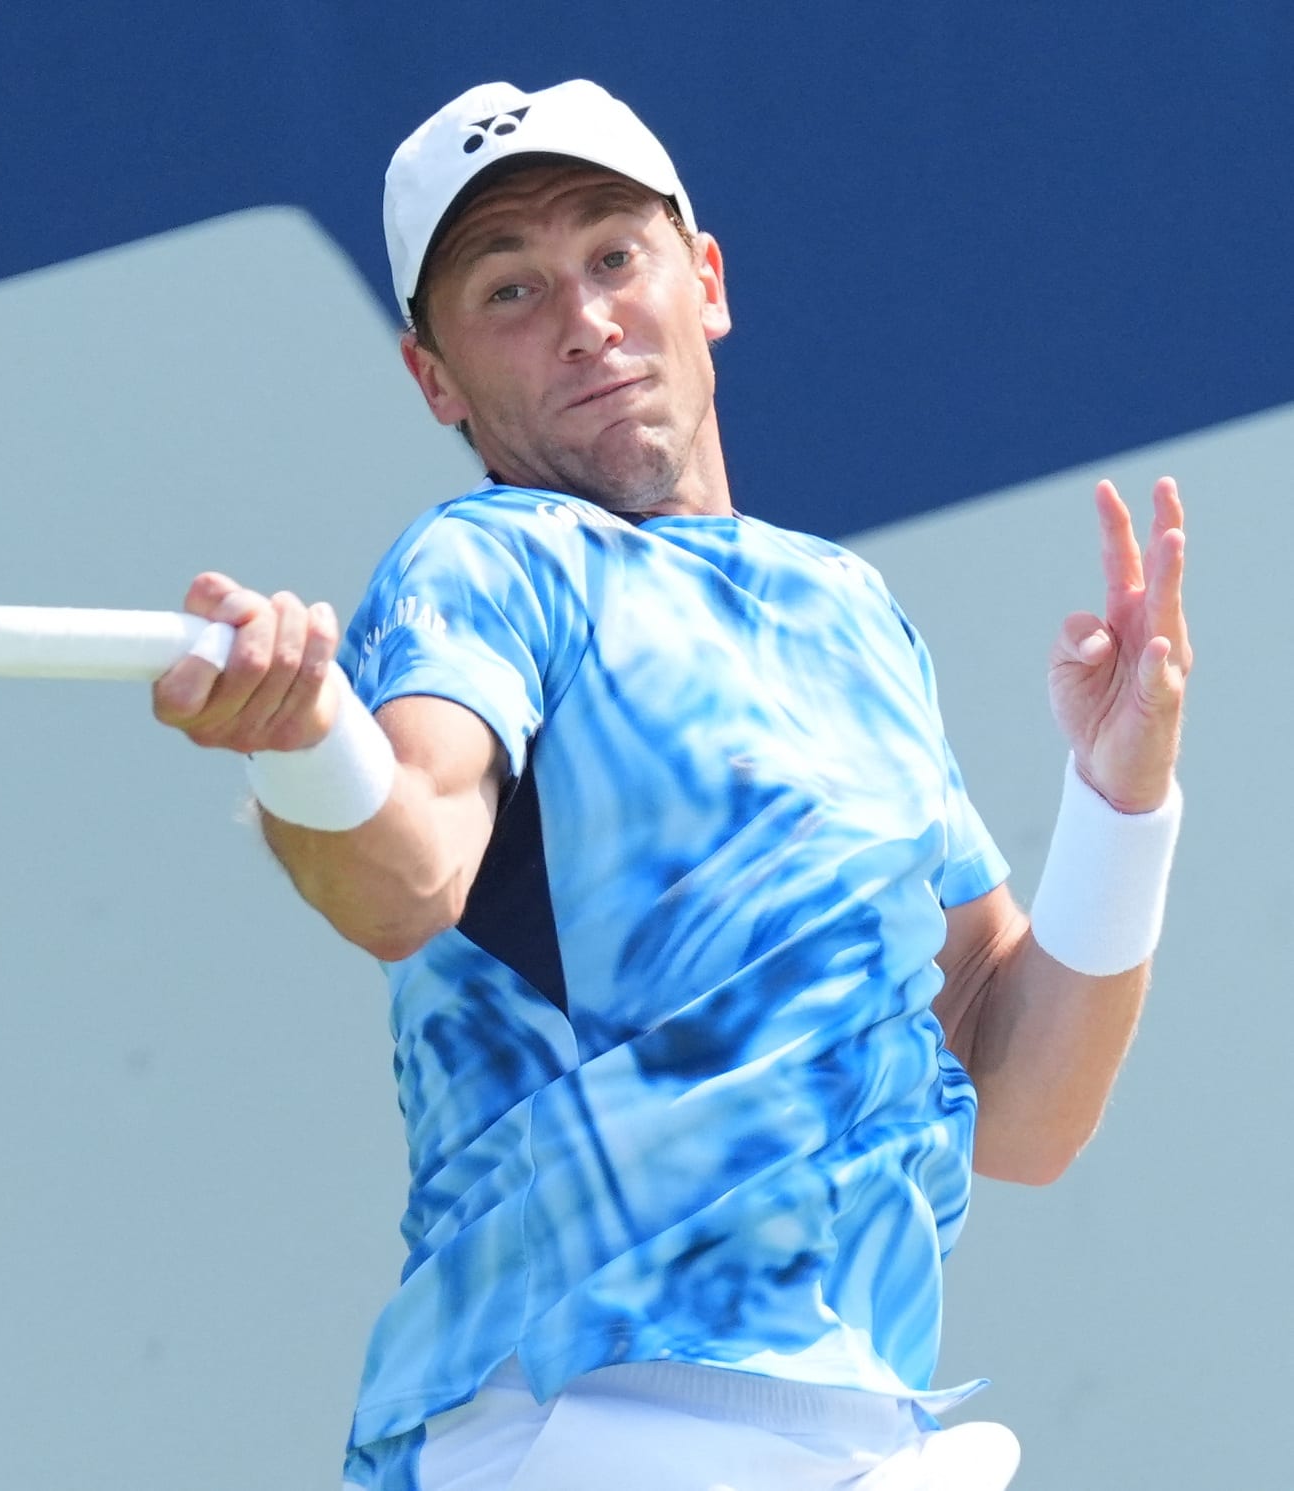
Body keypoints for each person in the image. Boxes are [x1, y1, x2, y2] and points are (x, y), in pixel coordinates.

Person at [152, 80, 1191, 1491]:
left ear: (703, 281)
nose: (583, 318)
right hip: (574, 1427)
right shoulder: (490, 561)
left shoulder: (849, 609)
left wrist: (1122, 803)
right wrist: (306, 743)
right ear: (434, 379)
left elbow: (1021, 1108)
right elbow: (408, 869)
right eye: (511, 289)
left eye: (613, 256)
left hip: (850, 1427)